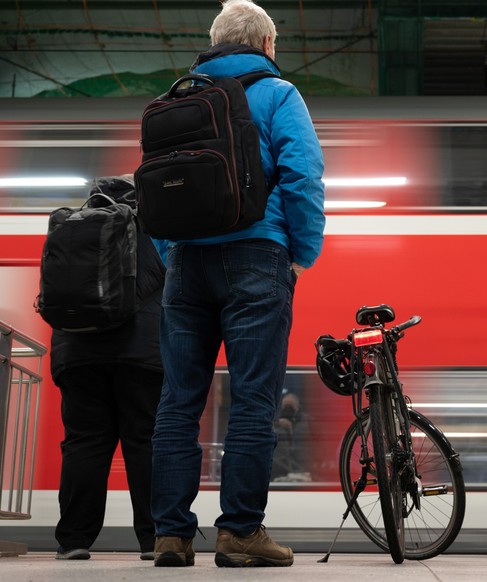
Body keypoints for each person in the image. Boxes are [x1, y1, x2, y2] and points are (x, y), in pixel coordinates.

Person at [150, 0, 325, 569]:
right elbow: (302, 174)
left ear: (215, 43)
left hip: (185, 265)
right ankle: (240, 533)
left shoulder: (180, 98)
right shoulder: (279, 95)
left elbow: (154, 193)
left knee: (179, 402)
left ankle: (171, 536)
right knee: (254, 399)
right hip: (257, 255)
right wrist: (302, 251)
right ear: (267, 46)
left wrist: (171, 255)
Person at [51, 175, 165, 561]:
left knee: (85, 442)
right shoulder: (153, 229)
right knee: (143, 441)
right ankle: (154, 540)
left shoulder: (73, 228)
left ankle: (74, 540)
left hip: (77, 351)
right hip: (142, 353)